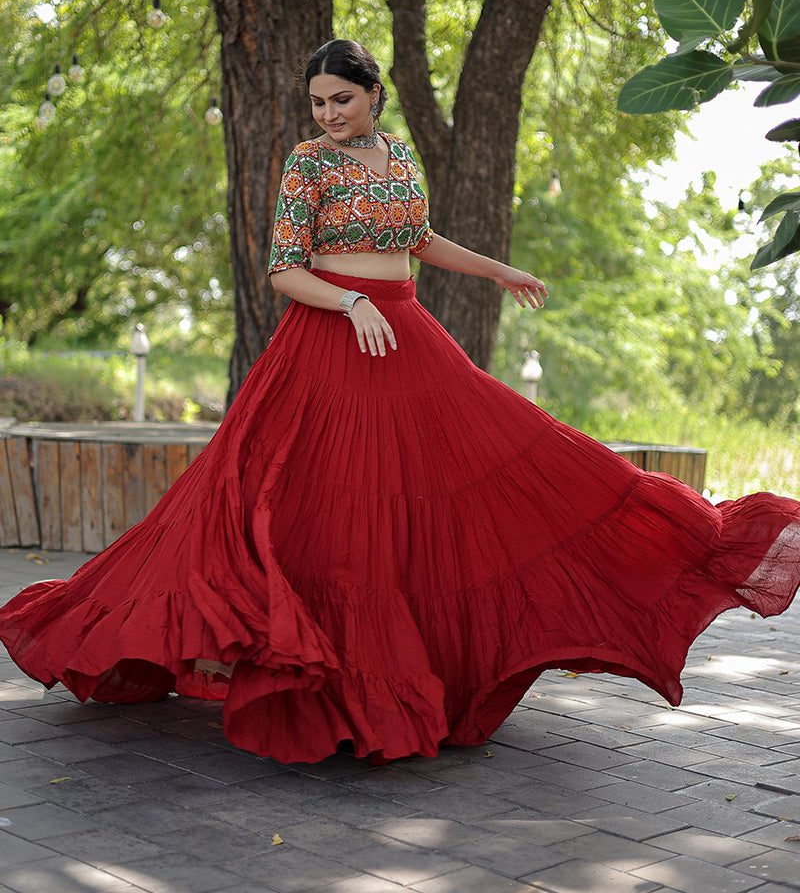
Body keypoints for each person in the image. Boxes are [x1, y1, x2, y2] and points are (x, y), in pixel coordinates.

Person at [1, 40, 799, 767]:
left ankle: (444, 663)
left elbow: (417, 241)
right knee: (327, 508)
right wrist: (349, 306)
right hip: (331, 341)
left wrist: (500, 272)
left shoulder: (401, 155)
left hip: (405, 333)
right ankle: (329, 682)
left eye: (339, 99)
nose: (326, 113)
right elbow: (284, 269)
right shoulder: (307, 164)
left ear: (374, 95)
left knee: (495, 462)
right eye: (316, 101)